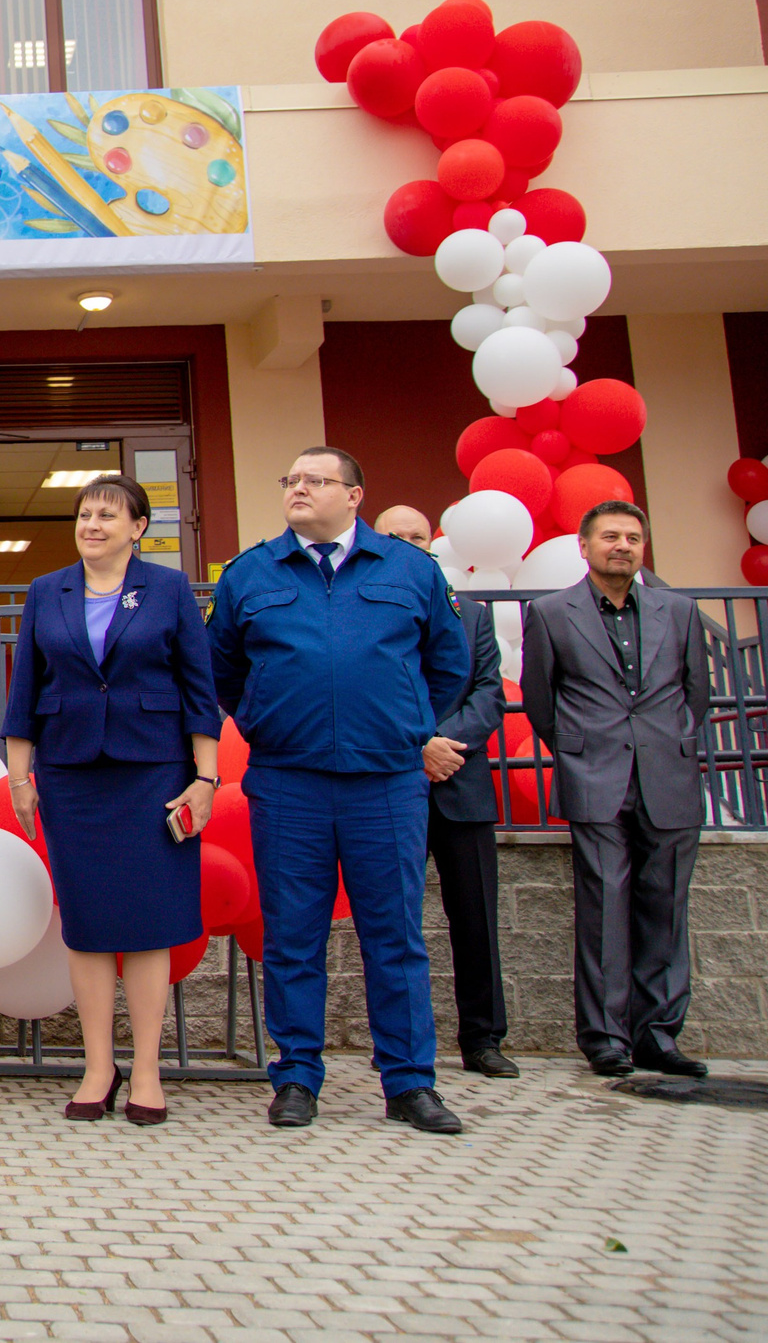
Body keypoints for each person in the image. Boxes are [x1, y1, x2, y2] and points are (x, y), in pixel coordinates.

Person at [208, 447, 470, 1135]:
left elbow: (446, 665)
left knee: (395, 935)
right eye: (290, 479)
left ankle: (410, 1082)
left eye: (315, 480)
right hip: (289, 780)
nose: (298, 489)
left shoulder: (410, 568)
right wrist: (269, 716)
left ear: (355, 495)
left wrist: (398, 722)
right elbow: (224, 671)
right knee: (293, 934)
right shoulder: (250, 573)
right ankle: (296, 1076)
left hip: (385, 781)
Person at [1, 474, 220, 1124]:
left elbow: (198, 687)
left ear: (137, 527)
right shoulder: (47, 591)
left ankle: (147, 1069)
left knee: (149, 924)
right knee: (89, 925)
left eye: (107, 515)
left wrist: (204, 779)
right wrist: (19, 774)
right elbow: (23, 690)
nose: (91, 524)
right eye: (84, 513)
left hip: (154, 772)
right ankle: (99, 1065)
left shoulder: (170, 589)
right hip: (71, 775)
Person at [520, 499, 714, 1080]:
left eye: (633, 537)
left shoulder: (680, 611)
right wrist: (580, 750)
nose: (622, 546)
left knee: (666, 907)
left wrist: (669, 743)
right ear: (584, 546)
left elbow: (696, 694)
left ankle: (658, 1035)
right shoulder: (553, 613)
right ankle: (605, 1038)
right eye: (610, 536)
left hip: (669, 777)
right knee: (603, 906)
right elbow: (540, 701)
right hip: (594, 776)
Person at [373, 503, 517, 1078]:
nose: (408, 544)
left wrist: (440, 745)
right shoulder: (366, 612)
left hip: (459, 784)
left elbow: (489, 694)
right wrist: (416, 745)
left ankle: (482, 1040)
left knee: (475, 921)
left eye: (416, 536)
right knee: (392, 923)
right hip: (387, 786)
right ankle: (401, 1048)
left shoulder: (473, 615)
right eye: (394, 536)